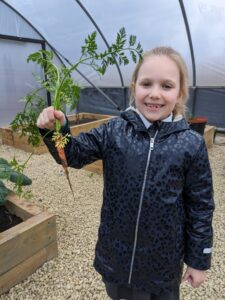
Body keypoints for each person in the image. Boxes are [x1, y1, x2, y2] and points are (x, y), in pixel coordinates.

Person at [36, 47, 214, 300]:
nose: (154, 93)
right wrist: (56, 130)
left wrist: (199, 259)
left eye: (166, 86)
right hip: (116, 257)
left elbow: (201, 206)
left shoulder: (191, 144)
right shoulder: (114, 132)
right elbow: (74, 154)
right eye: (146, 83)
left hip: (162, 264)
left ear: (180, 93)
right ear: (133, 87)